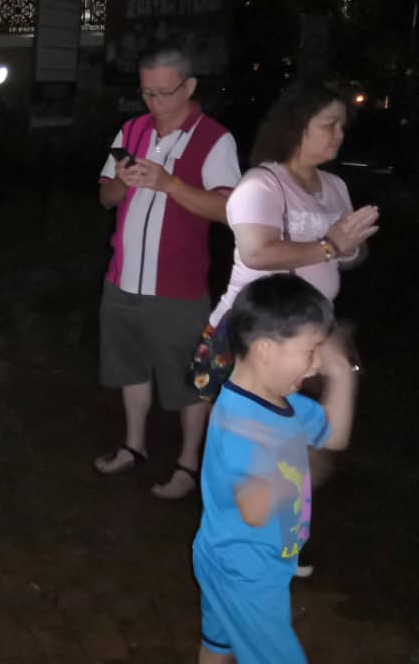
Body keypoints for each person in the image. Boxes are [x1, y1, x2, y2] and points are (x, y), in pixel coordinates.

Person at [191, 79, 379, 576]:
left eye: (342, 125)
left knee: (302, 440)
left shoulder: (334, 186)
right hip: (256, 337)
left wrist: (350, 248)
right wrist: (330, 245)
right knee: (257, 443)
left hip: (308, 334)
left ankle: (286, 532)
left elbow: (344, 255)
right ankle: (245, 539)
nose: (339, 134)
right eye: (328, 124)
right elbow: (257, 252)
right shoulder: (262, 184)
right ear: (297, 127)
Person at [93, 42, 241, 499]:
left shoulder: (215, 138)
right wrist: (122, 183)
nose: (155, 102)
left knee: (189, 382)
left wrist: (170, 183)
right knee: (129, 368)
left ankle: (188, 463)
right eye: (147, 93)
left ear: (190, 86)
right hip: (121, 279)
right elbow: (105, 197)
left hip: (178, 287)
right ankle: (133, 445)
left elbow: (228, 210)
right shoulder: (131, 130)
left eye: (165, 92)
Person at [194, 273, 357, 664]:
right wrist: (304, 464)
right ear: (266, 350)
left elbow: (334, 435)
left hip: (227, 556)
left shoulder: (282, 402)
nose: (316, 366)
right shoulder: (239, 423)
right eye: (310, 351)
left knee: (218, 643)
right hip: (247, 570)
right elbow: (253, 510)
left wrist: (341, 375)